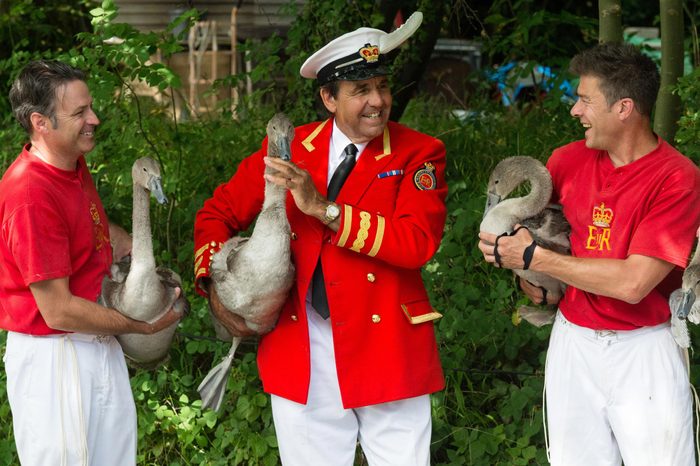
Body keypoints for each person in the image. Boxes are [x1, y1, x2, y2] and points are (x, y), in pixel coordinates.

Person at [194, 12, 447, 466]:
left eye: (382, 86)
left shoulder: (418, 152)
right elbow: (216, 214)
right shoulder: (290, 148)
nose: (378, 101)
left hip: (386, 348)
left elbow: (417, 243)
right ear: (329, 98)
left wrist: (323, 208)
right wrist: (218, 290)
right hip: (301, 349)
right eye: (361, 90)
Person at [479, 43, 700, 465]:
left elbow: (633, 284)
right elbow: (544, 262)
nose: (574, 111)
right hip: (573, 343)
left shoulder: (678, 179)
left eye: (584, 99)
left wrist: (533, 259)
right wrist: (527, 275)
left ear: (624, 108)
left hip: (644, 351)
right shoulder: (564, 162)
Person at [0, 60, 182, 466]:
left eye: (90, 108)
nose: (94, 119)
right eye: (79, 113)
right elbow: (58, 310)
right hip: (57, 359)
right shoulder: (30, 195)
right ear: (40, 122)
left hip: (96, 339)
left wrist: (137, 250)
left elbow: (94, 226)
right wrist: (140, 326)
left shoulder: (70, 164)